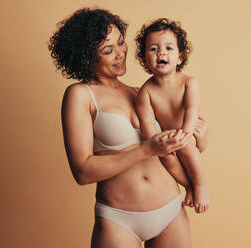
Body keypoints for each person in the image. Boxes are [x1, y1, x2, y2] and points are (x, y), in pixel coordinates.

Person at [48, 8, 208, 247]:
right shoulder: (80, 96)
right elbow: (82, 171)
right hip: (119, 219)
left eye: (121, 43)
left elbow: (173, 152)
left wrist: (196, 170)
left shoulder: (142, 93)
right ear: (86, 57)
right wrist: (146, 150)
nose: (120, 54)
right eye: (107, 50)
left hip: (171, 210)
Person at [135, 18, 210, 213]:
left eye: (169, 48)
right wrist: (156, 141)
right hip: (166, 137)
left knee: (185, 146)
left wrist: (185, 133)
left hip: (189, 132)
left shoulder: (188, 82)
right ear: (144, 59)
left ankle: (200, 187)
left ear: (180, 57)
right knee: (167, 158)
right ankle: (189, 187)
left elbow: (192, 109)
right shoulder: (146, 91)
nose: (161, 52)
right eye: (153, 49)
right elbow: (147, 120)